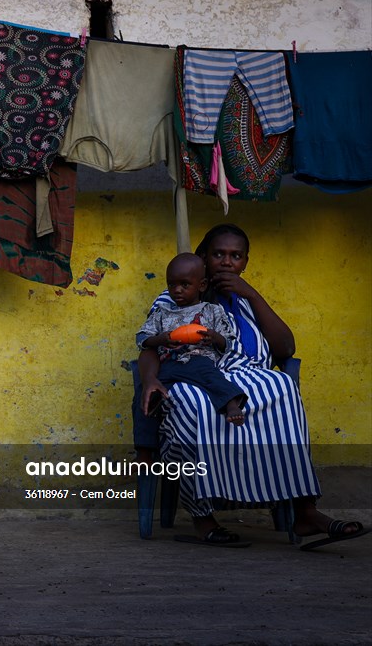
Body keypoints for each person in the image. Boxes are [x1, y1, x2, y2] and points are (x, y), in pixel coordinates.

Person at [136, 224, 368, 549]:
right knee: (191, 404)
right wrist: (150, 379)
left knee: (283, 387)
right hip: (196, 375)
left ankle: (305, 510)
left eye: (236, 256)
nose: (227, 262)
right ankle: (203, 519)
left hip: (249, 375)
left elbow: (285, 348)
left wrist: (251, 294)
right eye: (219, 254)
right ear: (204, 257)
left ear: (245, 262)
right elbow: (148, 346)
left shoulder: (245, 299)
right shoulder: (178, 294)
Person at [137, 253, 247, 426]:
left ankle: (232, 405)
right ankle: (145, 448)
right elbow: (142, 338)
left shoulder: (212, 311)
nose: (177, 290)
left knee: (212, 378)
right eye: (171, 284)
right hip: (166, 364)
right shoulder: (161, 312)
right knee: (145, 394)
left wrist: (214, 337)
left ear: (201, 285)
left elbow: (228, 343)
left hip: (198, 361)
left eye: (184, 284)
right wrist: (160, 340)